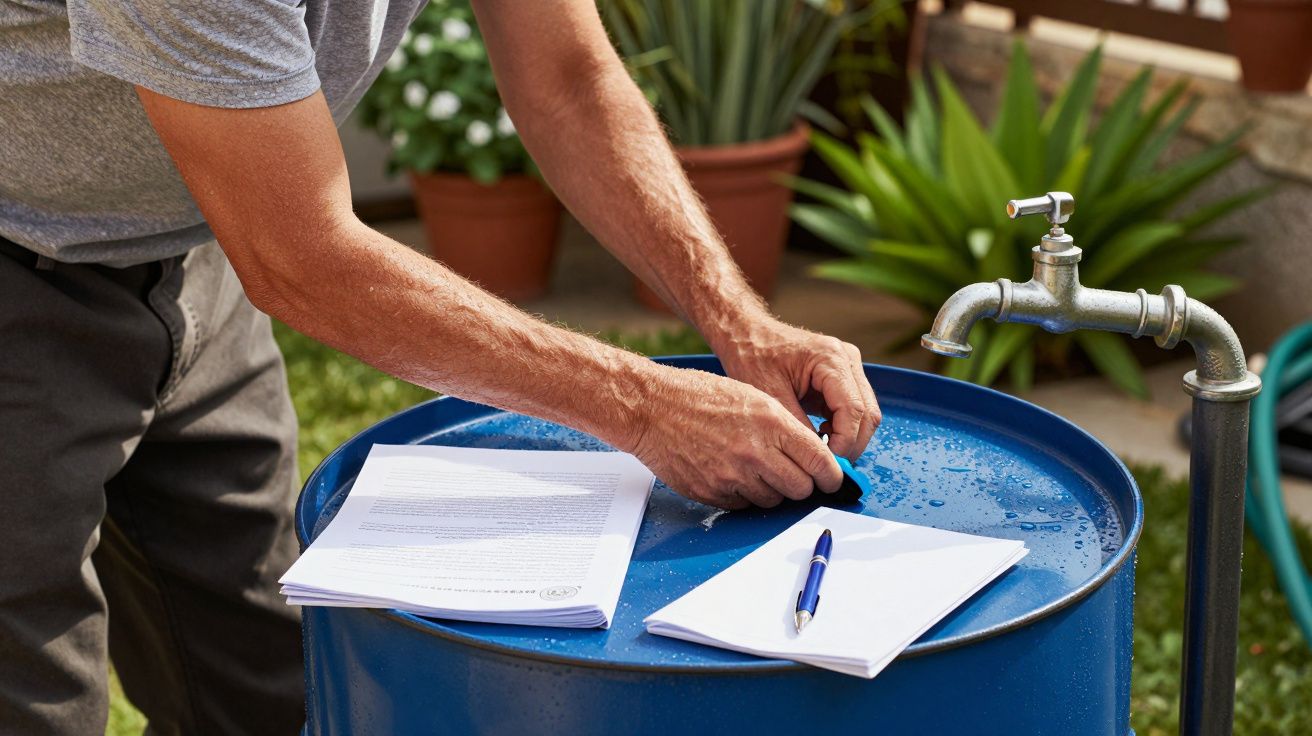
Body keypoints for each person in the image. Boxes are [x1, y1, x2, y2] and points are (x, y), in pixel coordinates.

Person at [0, 0, 882, 732]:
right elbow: (302, 258)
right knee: (32, 699)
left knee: (271, 685)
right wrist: (646, 409)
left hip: (198, 249)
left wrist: (739, 321)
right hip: (20, 267)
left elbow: (568, 81)